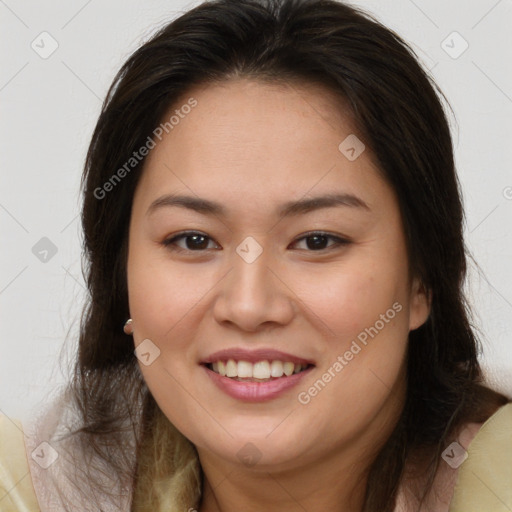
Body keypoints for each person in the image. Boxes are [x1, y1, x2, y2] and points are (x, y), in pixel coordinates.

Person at [1, 0, 511, 511]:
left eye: (317, 241)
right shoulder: (29, 490)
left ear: (421, 280)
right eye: (193, 240)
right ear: (122, 274)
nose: (248, 306)